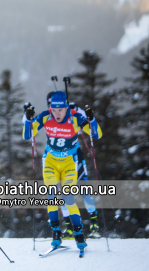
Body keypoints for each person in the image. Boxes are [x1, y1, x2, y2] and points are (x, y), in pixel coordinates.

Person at [22, 91, 102, 250]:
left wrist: (92, 120)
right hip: (50, 162)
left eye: (60, 109)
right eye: (53, 109)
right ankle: (56, 232)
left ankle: (79, 234)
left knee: (68, 198)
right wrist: (28, 120)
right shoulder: (46, 116)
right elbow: (27, 135)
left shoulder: (75, 118)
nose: (56, 113)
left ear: (66, 107)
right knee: (51, 196)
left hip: (68, 164)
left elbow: (96, 134)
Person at [44, 92, 101, 239]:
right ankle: (69, 226)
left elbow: (86, 124)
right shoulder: (49, 117)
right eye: (50, 104)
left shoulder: (72, 112)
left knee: (83, 187)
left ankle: (94, 224)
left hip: (74, 158)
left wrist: (83, 113)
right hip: (56, 160)